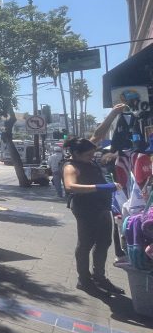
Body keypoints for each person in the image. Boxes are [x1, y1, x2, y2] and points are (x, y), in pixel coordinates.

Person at [62, 103, 127, 296]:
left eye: (93, 153)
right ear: (76, 154)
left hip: (102, 207)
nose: (92, 157)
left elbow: (98, 135)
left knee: (105, 242)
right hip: (84, 208)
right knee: (85, 244)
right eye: (89, 155)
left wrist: (113, 114)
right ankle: (84, 279)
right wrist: (101, 187)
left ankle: (99, 277)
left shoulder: (84, 153)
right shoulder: (71, 166)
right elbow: (70, 186)